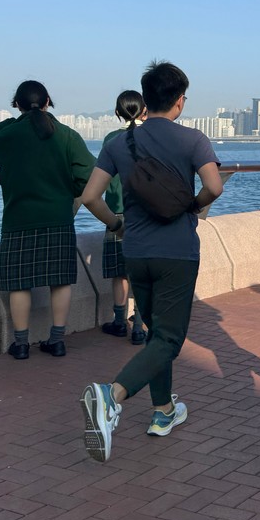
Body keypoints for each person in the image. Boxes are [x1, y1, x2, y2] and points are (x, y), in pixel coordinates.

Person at [78, 62, 223, 462]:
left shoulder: (119, 143)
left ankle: (163, 411)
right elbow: (214, 187)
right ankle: (112, 395)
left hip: (136, 251)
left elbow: (90, 197)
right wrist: (191, 206)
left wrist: (117, 225)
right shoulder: (193, 139)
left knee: (157, 333)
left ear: (146, 99)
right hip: (177, 251)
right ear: (180, 101)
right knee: (170, 339)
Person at [0, 80, 95, 360]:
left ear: (16, 104)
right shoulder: (67, 135)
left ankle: (20, 344)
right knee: (60, 280)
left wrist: (8, 124)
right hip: (59, 217)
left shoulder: (10, 134)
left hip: (19, 218)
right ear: (48, 101)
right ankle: (57, 340)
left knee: (19, 282)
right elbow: (88, 174)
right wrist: (70, 190)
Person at [99, 90, 147, 345]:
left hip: (116, 212)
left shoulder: (111, 139)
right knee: (141, 272)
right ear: (144, 110)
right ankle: (138, 325)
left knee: (119, 272)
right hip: (145, 214)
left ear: (117, 112)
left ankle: (119, 321)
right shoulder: (151, 137)